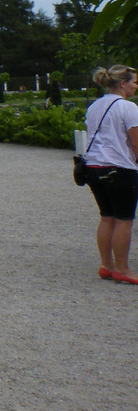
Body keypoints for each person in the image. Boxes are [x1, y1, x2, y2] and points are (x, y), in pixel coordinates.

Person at [82, 65, 138, 283]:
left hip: (94, 167)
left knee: (106, 217)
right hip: (120, 167)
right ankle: (123, 269)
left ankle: (107, 265)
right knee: (124, 220)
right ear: (123, 84)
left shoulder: (95, 105)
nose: (136, 86)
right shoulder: (128, 107)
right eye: (134, 82)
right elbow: (135, 142)